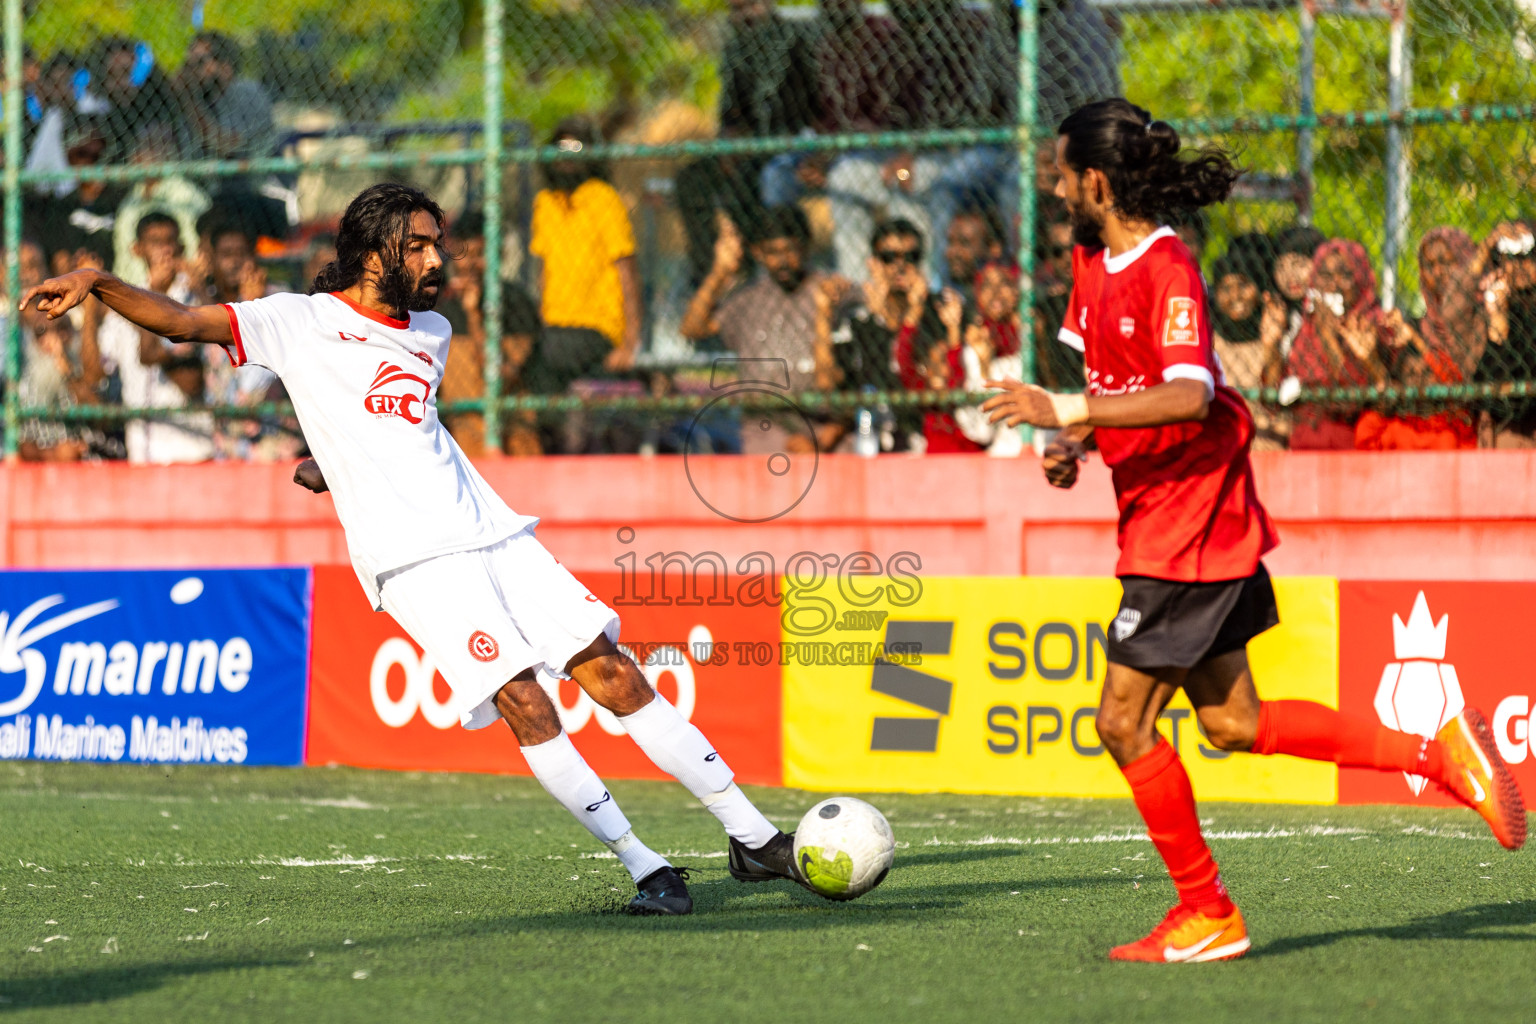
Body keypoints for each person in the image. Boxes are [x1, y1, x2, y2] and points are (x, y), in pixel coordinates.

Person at [22, 182, 810, 915]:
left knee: (613, 671)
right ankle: (647, 865)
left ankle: (753, 839)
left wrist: (327, 462)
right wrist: (97, 279)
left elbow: (403, 430)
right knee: (526, 704)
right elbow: (181, 322)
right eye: (420, 246)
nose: (439, 259)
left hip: (495, 532)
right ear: (373, 255)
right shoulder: (297, 320)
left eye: (440, 244)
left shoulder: (431, 332)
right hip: (414, 563)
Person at [980, 98, 1525, 964]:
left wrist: (1072, 408)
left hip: (1191, 513)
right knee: (1233, 722)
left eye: (1058, 172)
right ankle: (1439, 752)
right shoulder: (1089, 260)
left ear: (1094, 180)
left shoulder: (1168, 268)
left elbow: (1190, 394)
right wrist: (1070, 440)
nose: (1052, 187)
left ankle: (1210, 912)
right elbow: (1112, 385)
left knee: (1122, 725)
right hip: (1157, 509)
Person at [679, 205, 841, 453]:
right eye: (773, 252)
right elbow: (693, 328)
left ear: (806, 247)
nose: (783, 260)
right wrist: (719, 274)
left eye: (790, 249)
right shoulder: (749, 299)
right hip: (766, 423)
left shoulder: (829, 290)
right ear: (758, 253)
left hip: (824, 421)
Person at [96, 212, 215, 465]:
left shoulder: (194, 296)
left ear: (181, 247)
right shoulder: (123, 299)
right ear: (137, 249)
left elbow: (191, 372)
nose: (164, 249)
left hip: (193, 448)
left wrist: (167, 292)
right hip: (143, 449)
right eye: (155, 241)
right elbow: (101, 368)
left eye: (170, 241)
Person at [530, 118, 641, 385]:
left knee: (544, 355)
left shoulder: (603, 198)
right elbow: (544, 272)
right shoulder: (546, 202)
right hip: (553, 325)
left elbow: (627, 271)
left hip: (597, 327)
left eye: (576, 148)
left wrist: (630, 342)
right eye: (561, 147)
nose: (567, 157)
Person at [821, 218, 947, 451]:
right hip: (872, 434)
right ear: (874, 263)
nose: (900, 267)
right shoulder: (857, 318)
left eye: (910, 257)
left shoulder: (939, 312)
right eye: (889, 257)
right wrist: (877, 320)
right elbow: (836, 383)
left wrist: (911, 314)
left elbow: (928, 379)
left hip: (927, 432)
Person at [1354, 227, 1482, 451]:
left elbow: (1455, 387)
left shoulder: (1484, 319)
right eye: (1429, 266)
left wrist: (1417, 341)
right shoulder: (1418, 329)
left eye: (1447, 262)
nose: (1439, 272)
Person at [1286, 239, 1391, 450]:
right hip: (1305, 443)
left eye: (1345, 275)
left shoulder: (1377, 325)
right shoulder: (1305, 327)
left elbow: (1351, 400)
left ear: (1360, 279)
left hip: (1356, 443)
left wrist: (1327, 335)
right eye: (1325, 276)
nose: (1333, 285)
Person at [1209, 233, 1289, 449]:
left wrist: (1271, 345)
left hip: (1260, 431)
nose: (1235, 296)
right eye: (1225, 288)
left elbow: (1271, 392)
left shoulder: (1271, 329)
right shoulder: (1210, 337)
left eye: (1244, 285)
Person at [1472, 220, 1536, 446]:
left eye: (1528, 258)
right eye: (1511, 259)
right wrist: (1498, 321)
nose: (1519, 266)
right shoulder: (1496, 302)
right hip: (1505, 427)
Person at [172, 32, 275, 160]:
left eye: (199, 63)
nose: (192, 71)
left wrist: (187, 100)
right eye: (188, 65)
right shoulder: (199, 98)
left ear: (225, 66)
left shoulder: (247, 92)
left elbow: (227, 145)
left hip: (252, 176)